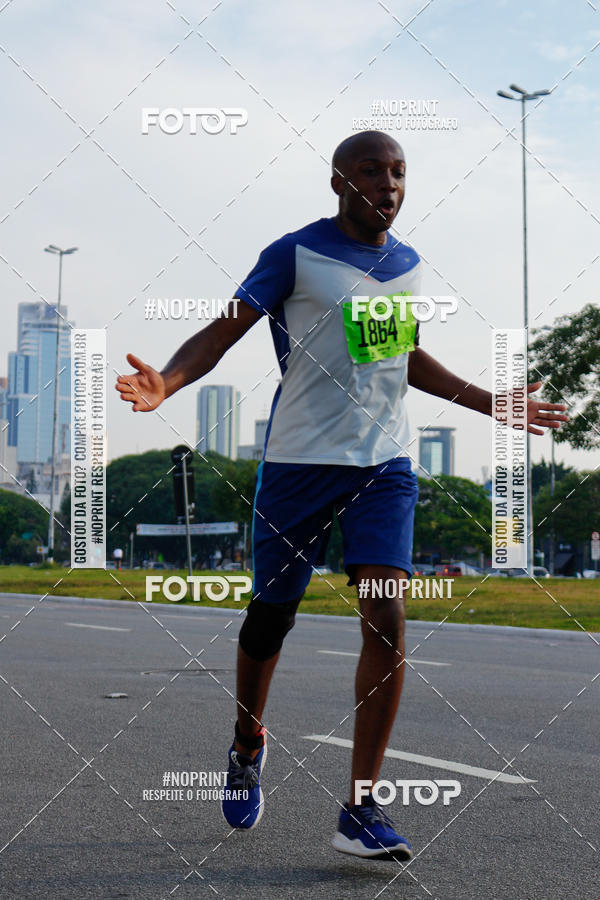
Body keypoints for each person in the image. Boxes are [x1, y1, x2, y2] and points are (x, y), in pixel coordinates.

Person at [116, 130, 567, 860]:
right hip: (298, 467)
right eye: (371, 171)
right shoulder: (294, 253)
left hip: (383, 466)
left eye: (398, 172)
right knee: (270, 623)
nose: (388, 184)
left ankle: (360, 807)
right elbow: (224, 332)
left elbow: (400, 355)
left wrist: (492, 403)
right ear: (338, 181)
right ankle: (245, 739)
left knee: (387, 612)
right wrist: (166, 381)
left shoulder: (406, 264)